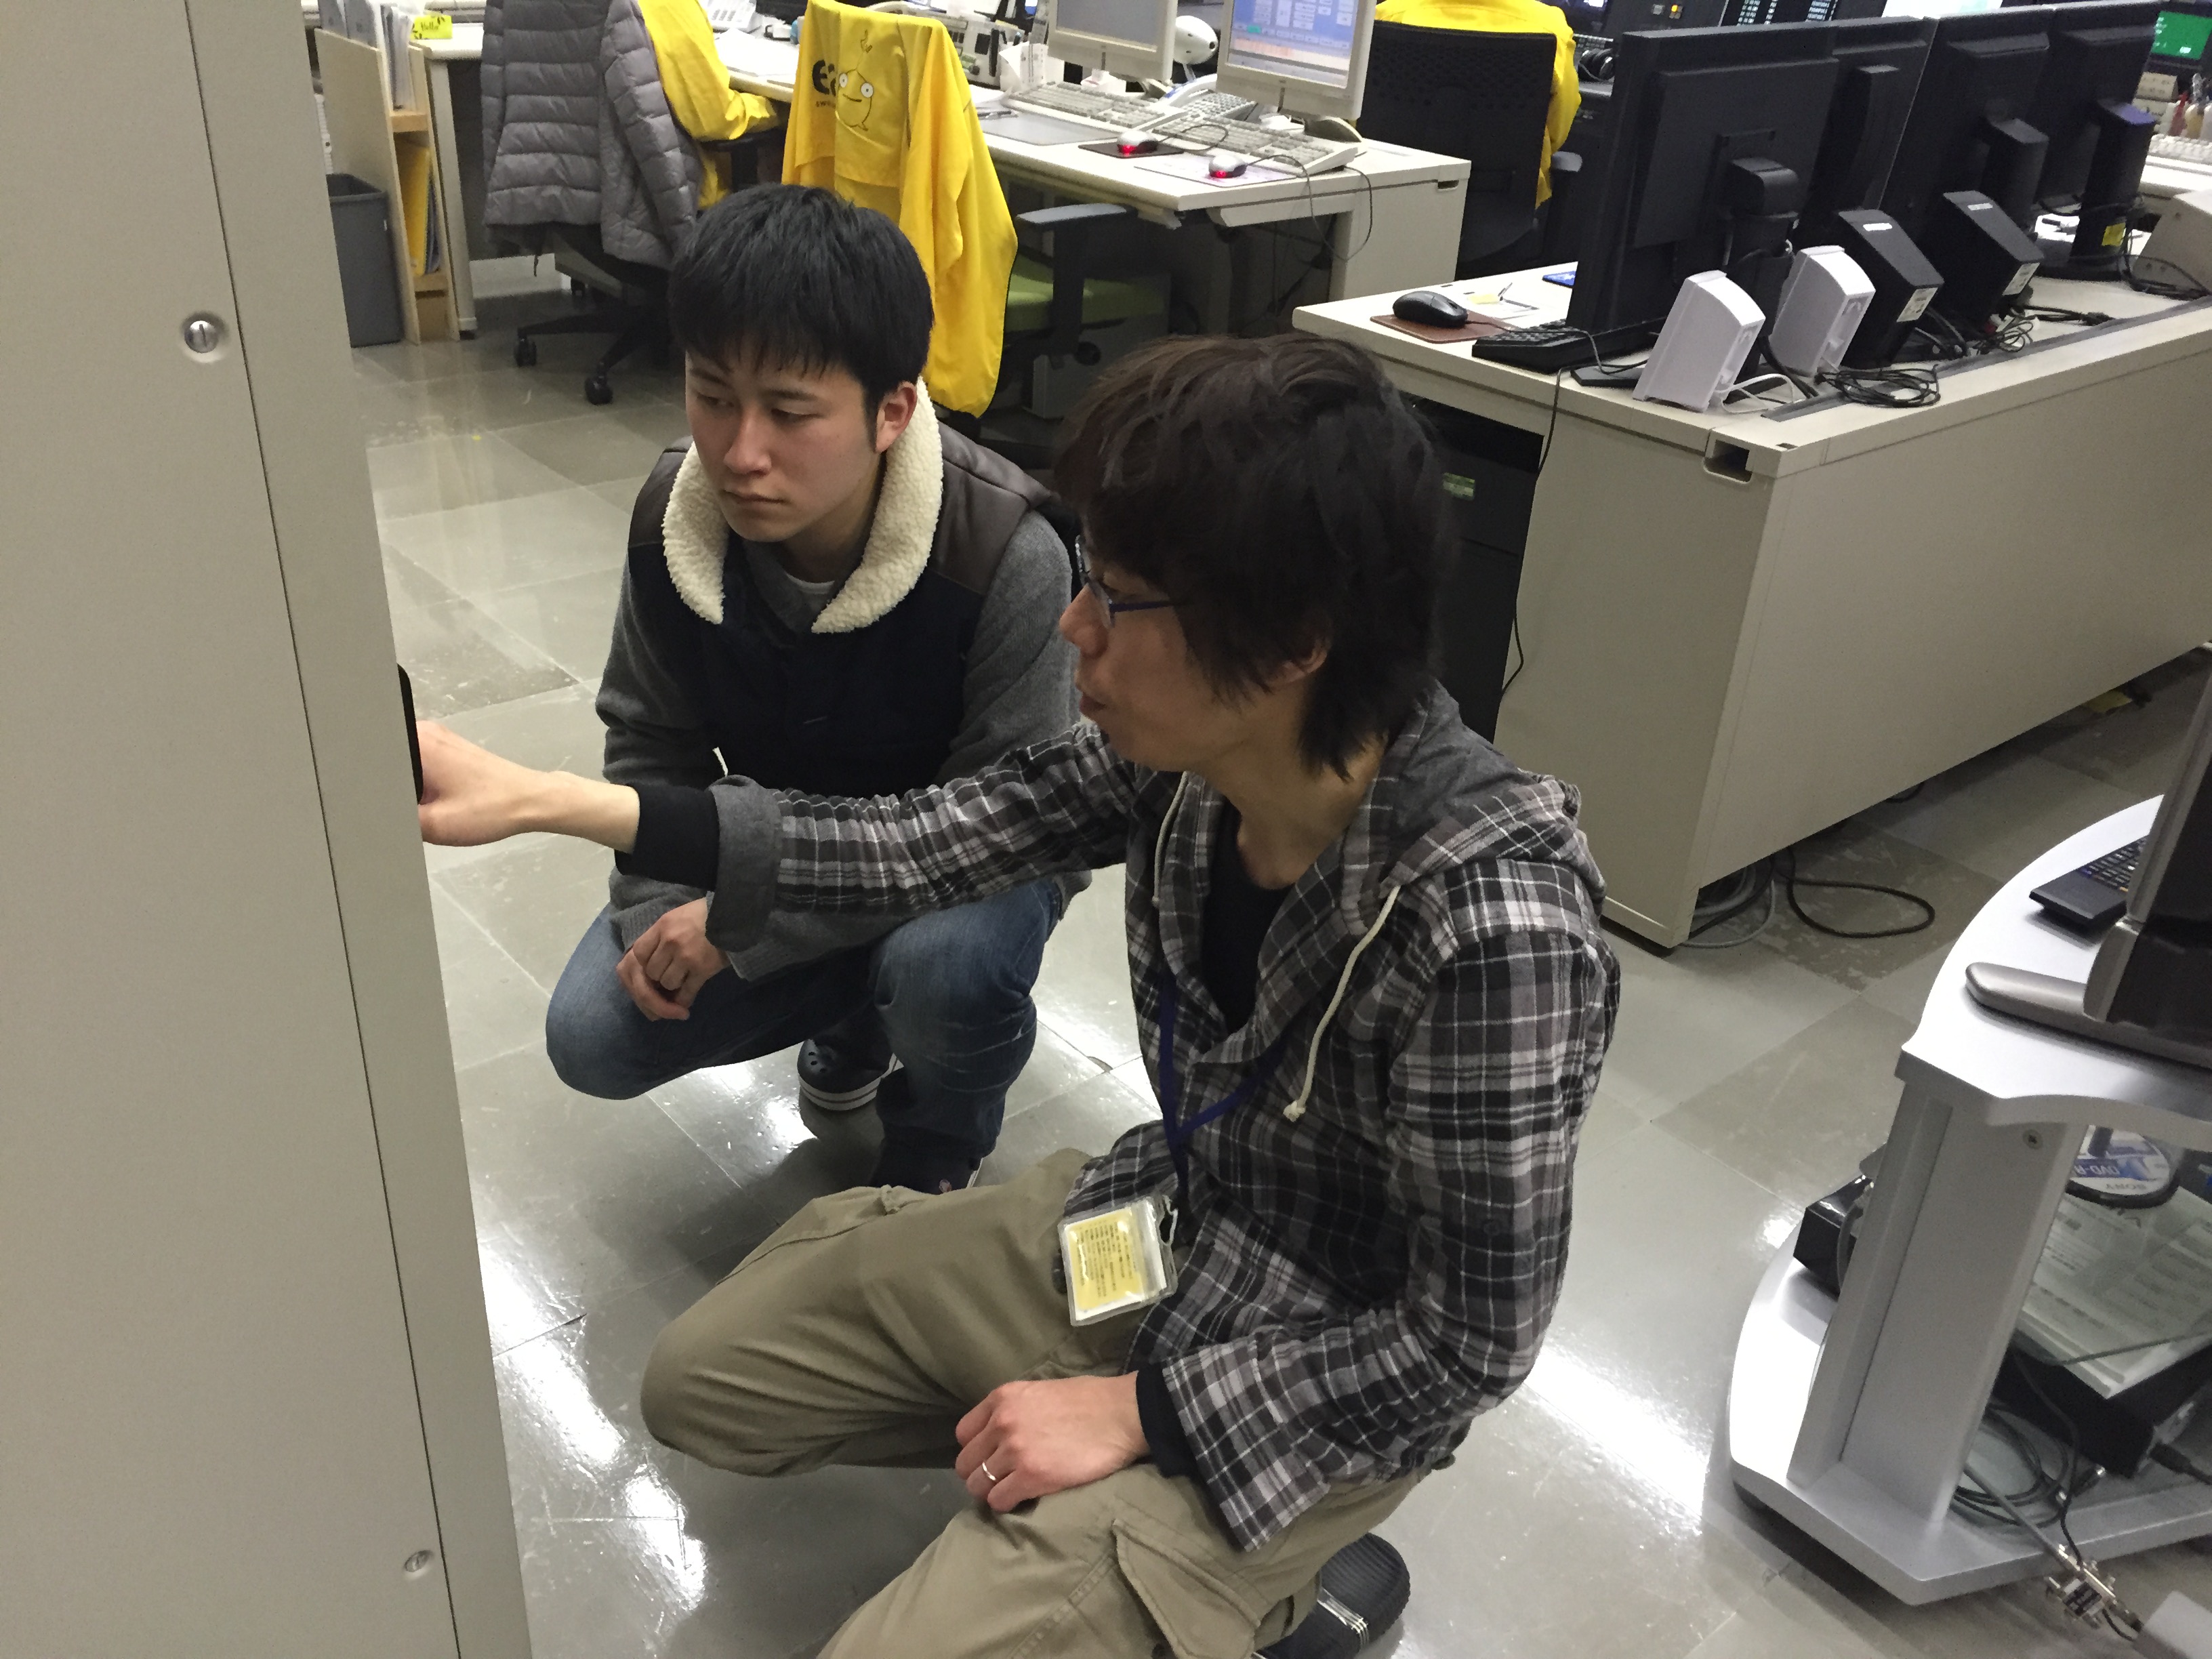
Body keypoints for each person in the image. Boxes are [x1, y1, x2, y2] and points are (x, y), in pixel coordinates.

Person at [416, 333, 1620, 1658]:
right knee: (702, 1385)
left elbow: (1463, 1348)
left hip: (1303, 1378)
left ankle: (1260, 1571)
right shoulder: (1186, 766)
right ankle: (1081, 1504)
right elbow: (918, 840)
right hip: (1162, 1229)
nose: (1073, 626)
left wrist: (1144, 1415)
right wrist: (548, 799)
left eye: (1121, 600)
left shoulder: (1489, 924)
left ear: (1290, 644)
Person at [541, 182, 1082, 1194]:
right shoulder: (677, 522)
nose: (741, 453)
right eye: (712, 396)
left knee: (946, 966)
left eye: (791, 413)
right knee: (593, 1034)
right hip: (781, 845)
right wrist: (669, 905)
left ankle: (942, 1131)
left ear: (892, 412)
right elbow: (650, 740)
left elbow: (1002, 830)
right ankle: (856, 1007)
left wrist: (745, 928)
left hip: (968, 862)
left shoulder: (1007, 555)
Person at [1373, 0, 1582, 206]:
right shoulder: (1549, 25)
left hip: (1385, 191)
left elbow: (1360, 116)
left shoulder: (1387, 15)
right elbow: (1559, 124)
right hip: (1502, 201)